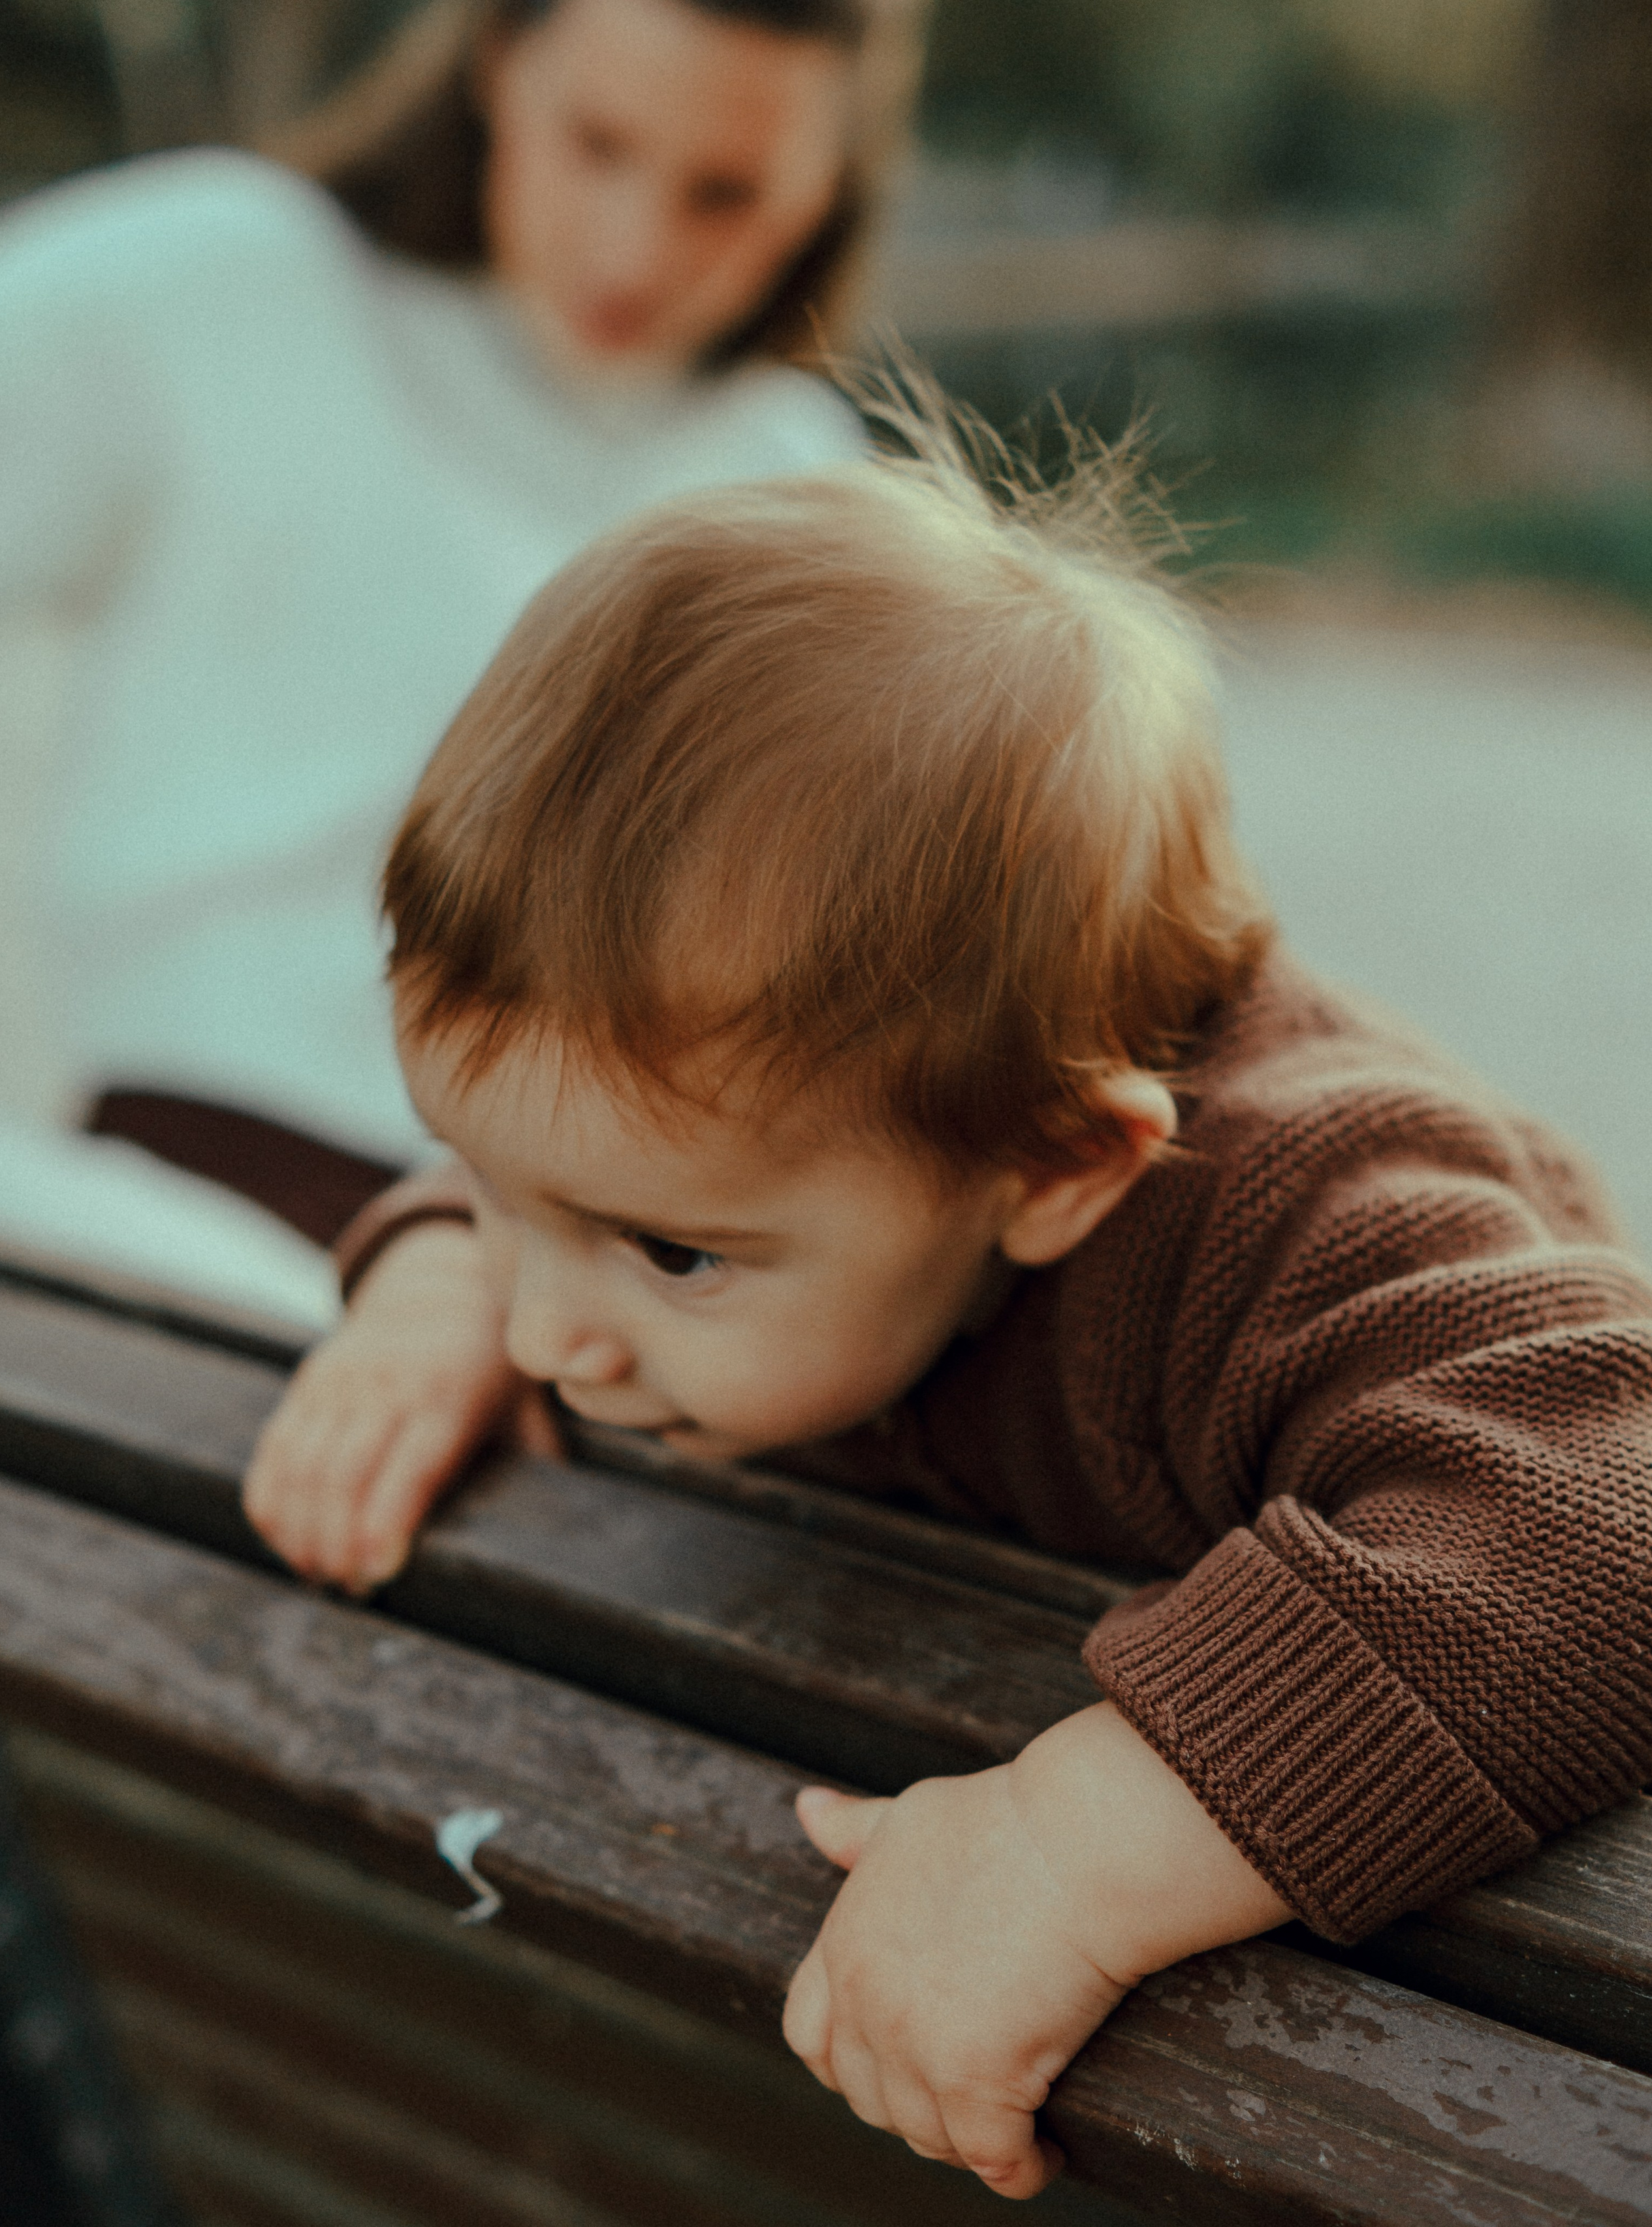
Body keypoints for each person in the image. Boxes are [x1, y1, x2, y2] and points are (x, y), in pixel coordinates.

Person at [240, 398, 1652, 2198]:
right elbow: (578, 1167)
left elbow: (1617, 1514)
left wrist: (1083, 1848)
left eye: (666, 1252)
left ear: (1059, 1168)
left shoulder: (1298, 1218)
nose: (544, 1338)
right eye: (500, 1195)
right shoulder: (775, 1145)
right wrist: (433, 1267)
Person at [0, 0, 922, 1249]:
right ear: (495, 61)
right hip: (196, 1204)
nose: (634, 252)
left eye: (726, 195)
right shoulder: (224, 278)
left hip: (582, 1266)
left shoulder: (802, 486)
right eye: (596, 144)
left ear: (826, 190)